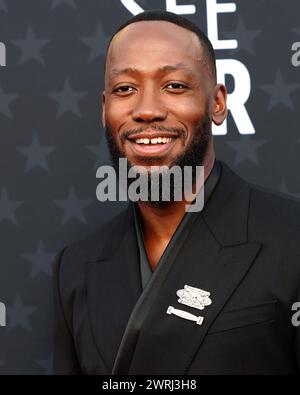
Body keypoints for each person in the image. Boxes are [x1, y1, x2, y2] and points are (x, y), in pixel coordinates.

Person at [53, 10, 300, 375]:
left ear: (217, 103)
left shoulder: (292, 238)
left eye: (175, 86)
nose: (147, 110)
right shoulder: (76, 268)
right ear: (105, 110)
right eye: (125, 89)